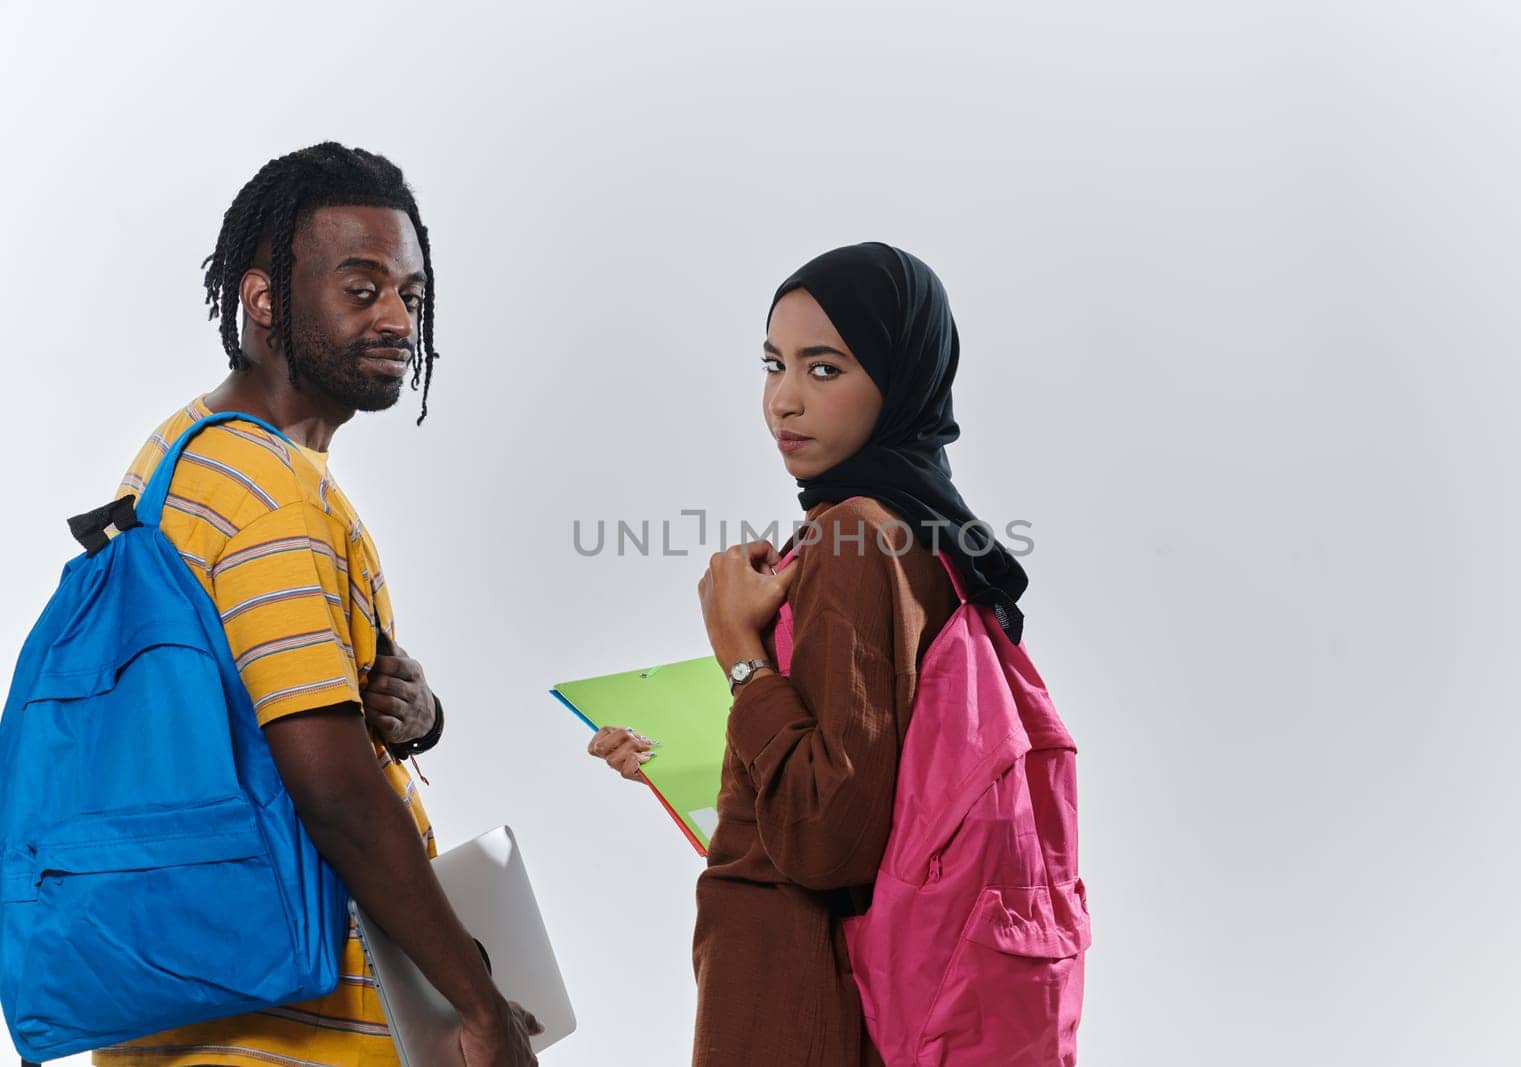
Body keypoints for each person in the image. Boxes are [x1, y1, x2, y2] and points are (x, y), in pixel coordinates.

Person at [94, 143, 538, 1067]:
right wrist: (481, 1003)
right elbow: (332, 789)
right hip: (285, 1037)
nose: (397, 321)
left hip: (190, 1014)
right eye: (362, 287)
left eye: (411, 296)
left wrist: (412, 716)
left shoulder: (181, 452)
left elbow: (246, 712)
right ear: (263, 300)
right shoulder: (269, 487)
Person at [588, 242, 1031, 1065]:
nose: (783, 401)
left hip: (807, 1005)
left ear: (898, 377)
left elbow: (827, 838)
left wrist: (739, 652)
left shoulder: (854, 535)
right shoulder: (927, 532)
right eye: (773, 363)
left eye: (823, 370)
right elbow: (881, 770)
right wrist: (691, 760)